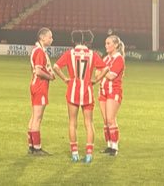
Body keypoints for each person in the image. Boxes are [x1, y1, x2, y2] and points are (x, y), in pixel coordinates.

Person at [53, 30, 105, 164]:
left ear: (72, 40)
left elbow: (56, 67)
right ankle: (88, 154)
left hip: (73, 92)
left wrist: (65, 79)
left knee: (72, 122)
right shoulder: (92, 54)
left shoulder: (70, 54)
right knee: (89, 123)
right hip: (87, 91)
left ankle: (75, 153)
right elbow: (105, 69)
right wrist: (96, 79)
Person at [26, 28, 56, 156]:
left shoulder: (36, 50)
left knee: (34, 117)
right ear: (42, 38)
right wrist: (50, 76)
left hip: (35, 85)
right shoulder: (39, 51)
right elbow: (38, 71)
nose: (51, 39)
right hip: (40, 86)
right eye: (50, 37)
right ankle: (37, 148)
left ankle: (31, 146)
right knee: (37, 118)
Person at [99, 34, 126, 156]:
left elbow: (110, 76)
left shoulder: (118, 58)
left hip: (113, 92)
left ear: (115, 45)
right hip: (103, 91)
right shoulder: (105, 59)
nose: (106, 45)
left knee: (111, 119)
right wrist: (102, 72)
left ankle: (114, 148)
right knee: (105, 120)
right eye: (105, 43)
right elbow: (96, 74)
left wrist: (102, 72)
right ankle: (109, 145)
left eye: (109, 43)